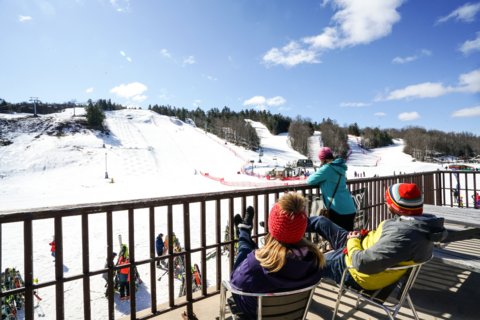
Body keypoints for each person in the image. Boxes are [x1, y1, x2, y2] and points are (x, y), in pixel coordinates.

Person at [305, 183, 447, 291]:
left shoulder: (403, 236)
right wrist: (360, 238)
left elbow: (363, 264)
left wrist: (353, 241)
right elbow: (384, 243)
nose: (386, 203)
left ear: (395, 208)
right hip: (359, 246)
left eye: (388, 201)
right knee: (320, 221)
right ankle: (288, 227)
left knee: (306, 264)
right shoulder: (421, 226)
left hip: (354, 269)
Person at [230, 194, 325, 319]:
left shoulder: (254, 265)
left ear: (272, 227)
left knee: (245, 250)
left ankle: (243, 231)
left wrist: (252, 259)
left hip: (255, 313)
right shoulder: (315, 259)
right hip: (294, 311)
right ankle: (244, 230)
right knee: (252, 253)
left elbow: (235, 283)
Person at [307, 147, 357, 231]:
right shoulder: (340, 167)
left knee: (336, 241)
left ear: (321, 159)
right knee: (348, 239)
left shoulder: (327, 168)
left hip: (337, 209)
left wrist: (321, 182)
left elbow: (310, 180)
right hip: (350, 207)